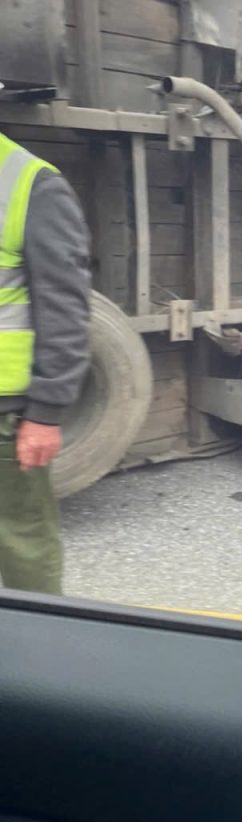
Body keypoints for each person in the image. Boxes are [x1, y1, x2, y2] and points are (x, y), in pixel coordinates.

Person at [0, 116, 91, 595]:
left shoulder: (31, 183)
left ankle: (37, 635)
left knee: (23, 544)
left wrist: (45, 413)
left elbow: (64, 309)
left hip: (5, 413)